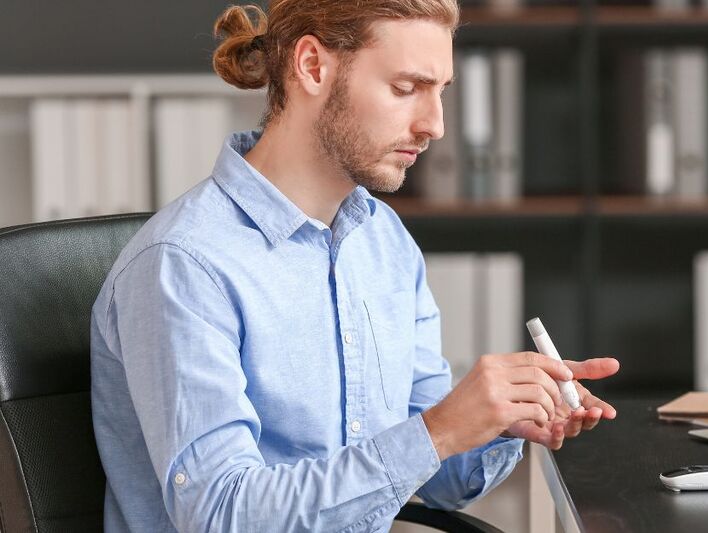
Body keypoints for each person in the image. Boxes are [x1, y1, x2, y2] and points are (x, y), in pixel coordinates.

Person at [90, 1, 620, 531]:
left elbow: (433, 480)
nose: (434, 124)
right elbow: (220, 514)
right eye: (406, 88)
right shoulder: (185, 265)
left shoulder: (382, 241)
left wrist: (500, 421)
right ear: (313, 67)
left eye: (441, 91)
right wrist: (438, 431)